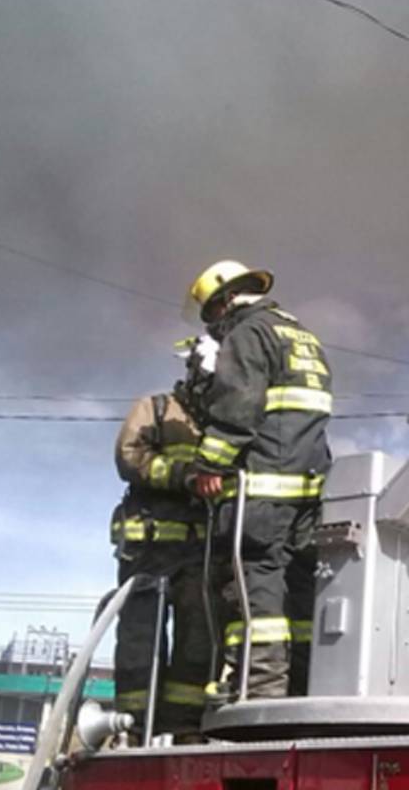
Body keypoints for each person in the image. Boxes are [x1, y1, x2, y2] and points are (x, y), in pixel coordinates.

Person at [183, 259, 332, 699]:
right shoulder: (303, 336)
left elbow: (238, 408)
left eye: (212, 315)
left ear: (226, 300)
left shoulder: (249, 333)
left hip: (265, 485)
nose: (214, 328)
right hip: (310, 485)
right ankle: (301, 683)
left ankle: (261, 684)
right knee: (299, 588)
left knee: (257, 579)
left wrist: (210, 465)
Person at [111, 387, 211, 741]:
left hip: (200, 550)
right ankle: (133, 725)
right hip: (148, 548)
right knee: (141, 638)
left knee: (198, 638)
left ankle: (183, 725)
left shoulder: (227, 418)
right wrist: (183, 475)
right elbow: (129, 455)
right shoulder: (156, 408)